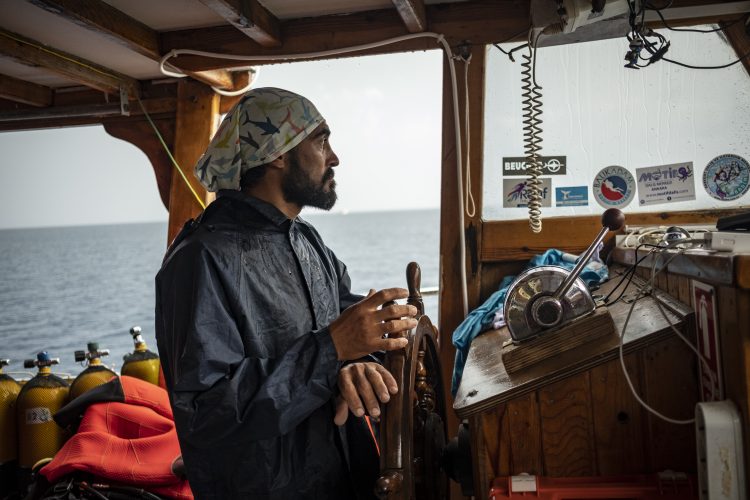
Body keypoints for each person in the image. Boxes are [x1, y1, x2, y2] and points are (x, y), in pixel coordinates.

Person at [155, 87, 418, 500]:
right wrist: (331, 351)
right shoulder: (200, 259)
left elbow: (348, 331)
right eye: (321, 141)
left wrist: (358, 363)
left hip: (345, 478)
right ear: (277, 153)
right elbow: (207, 410)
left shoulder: (308, 242)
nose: (334, 158)